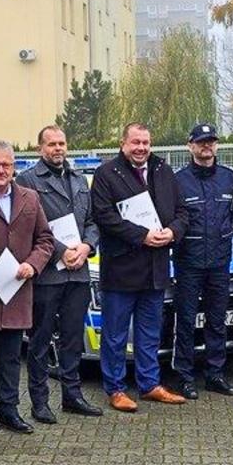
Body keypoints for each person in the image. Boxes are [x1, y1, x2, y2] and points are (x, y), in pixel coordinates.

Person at [89, 122, 189, 410]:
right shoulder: (107, 174)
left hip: (156, 269)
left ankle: (149, 384)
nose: (141, 148)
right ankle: (116, 388)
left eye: (145, 142)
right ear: (123, 144)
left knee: (149, 334)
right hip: (121, 269)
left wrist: (173, 232)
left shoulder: (163, 170)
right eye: (135, 142)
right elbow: (104, 216)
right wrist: (142, 235)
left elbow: (182, 211)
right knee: (116, 334)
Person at [0, 141, 54, 440]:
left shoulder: (30, 198)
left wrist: (33, 264)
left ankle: (9, 412)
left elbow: (45, 239)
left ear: (15, 166)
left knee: (12, 358)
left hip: (18, 290)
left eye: (7, 164)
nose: (1, 170)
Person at [18, 125, 102, 421]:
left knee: (72, 338)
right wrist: (60, 250)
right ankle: (39, 402)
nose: (58, 149)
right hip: (48, 273)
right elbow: (26, 226)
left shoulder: (79, 179)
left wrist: (87, 246)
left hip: (77, 272)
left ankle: (72, 395)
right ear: (40, 148)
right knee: (40, 340)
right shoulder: (27, 180)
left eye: (62, 143)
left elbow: (92, 221)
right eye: (51, 144)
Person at [171, 122, 233, 399]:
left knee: (216, 320)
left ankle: (215, 374)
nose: (206, 146)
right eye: (200, 142)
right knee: (186, 321)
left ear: (216, 145)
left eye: (210, 141)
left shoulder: (229, 178)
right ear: (190, 146)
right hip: (189, 263)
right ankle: (185, 377)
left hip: (220, 262)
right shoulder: (178, 180)